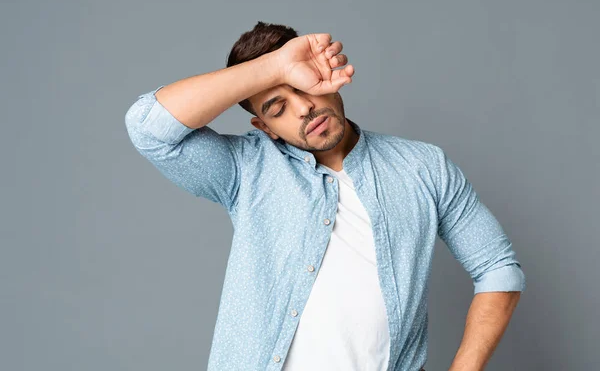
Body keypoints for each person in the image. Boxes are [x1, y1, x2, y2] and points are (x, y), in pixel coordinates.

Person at [124, 21, 525, 371]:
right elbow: (148, 127)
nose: (303, 109)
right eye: (278, 106)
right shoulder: (245, 169)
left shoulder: (422, 166)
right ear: (264, 127)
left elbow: (498, 267)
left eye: (302, 87)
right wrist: (275, 66)